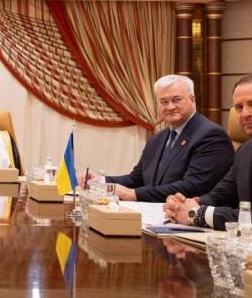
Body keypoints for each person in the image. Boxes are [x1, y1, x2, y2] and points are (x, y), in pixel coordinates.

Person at [164, 74, 252, 247]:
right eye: (239, 107)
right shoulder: (247, 149)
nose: (245, 113)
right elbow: (220, 195)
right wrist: (185, 205)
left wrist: (198, 214)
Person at [79, 75, 233, 202]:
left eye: (176, 100)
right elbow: (136, 179)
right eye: (164, 102)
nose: (170, 107)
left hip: (189, 220)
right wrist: (100, 182)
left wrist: (133, 194)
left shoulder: (211, 136)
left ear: (192, 100)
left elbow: (193, 187)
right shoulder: (158, 139)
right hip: (154, 215)